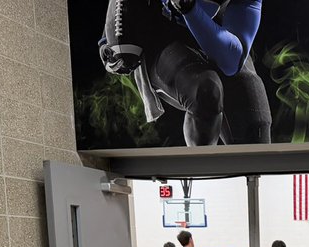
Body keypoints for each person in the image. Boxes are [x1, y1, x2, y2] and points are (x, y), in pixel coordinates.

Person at [99, 0, 271, 146]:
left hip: (216, 29)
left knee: (255, 133)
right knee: (206, 89)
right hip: (161, 34)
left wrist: (189, 8)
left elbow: (231, 62)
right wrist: (111, 40)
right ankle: (200, 172)